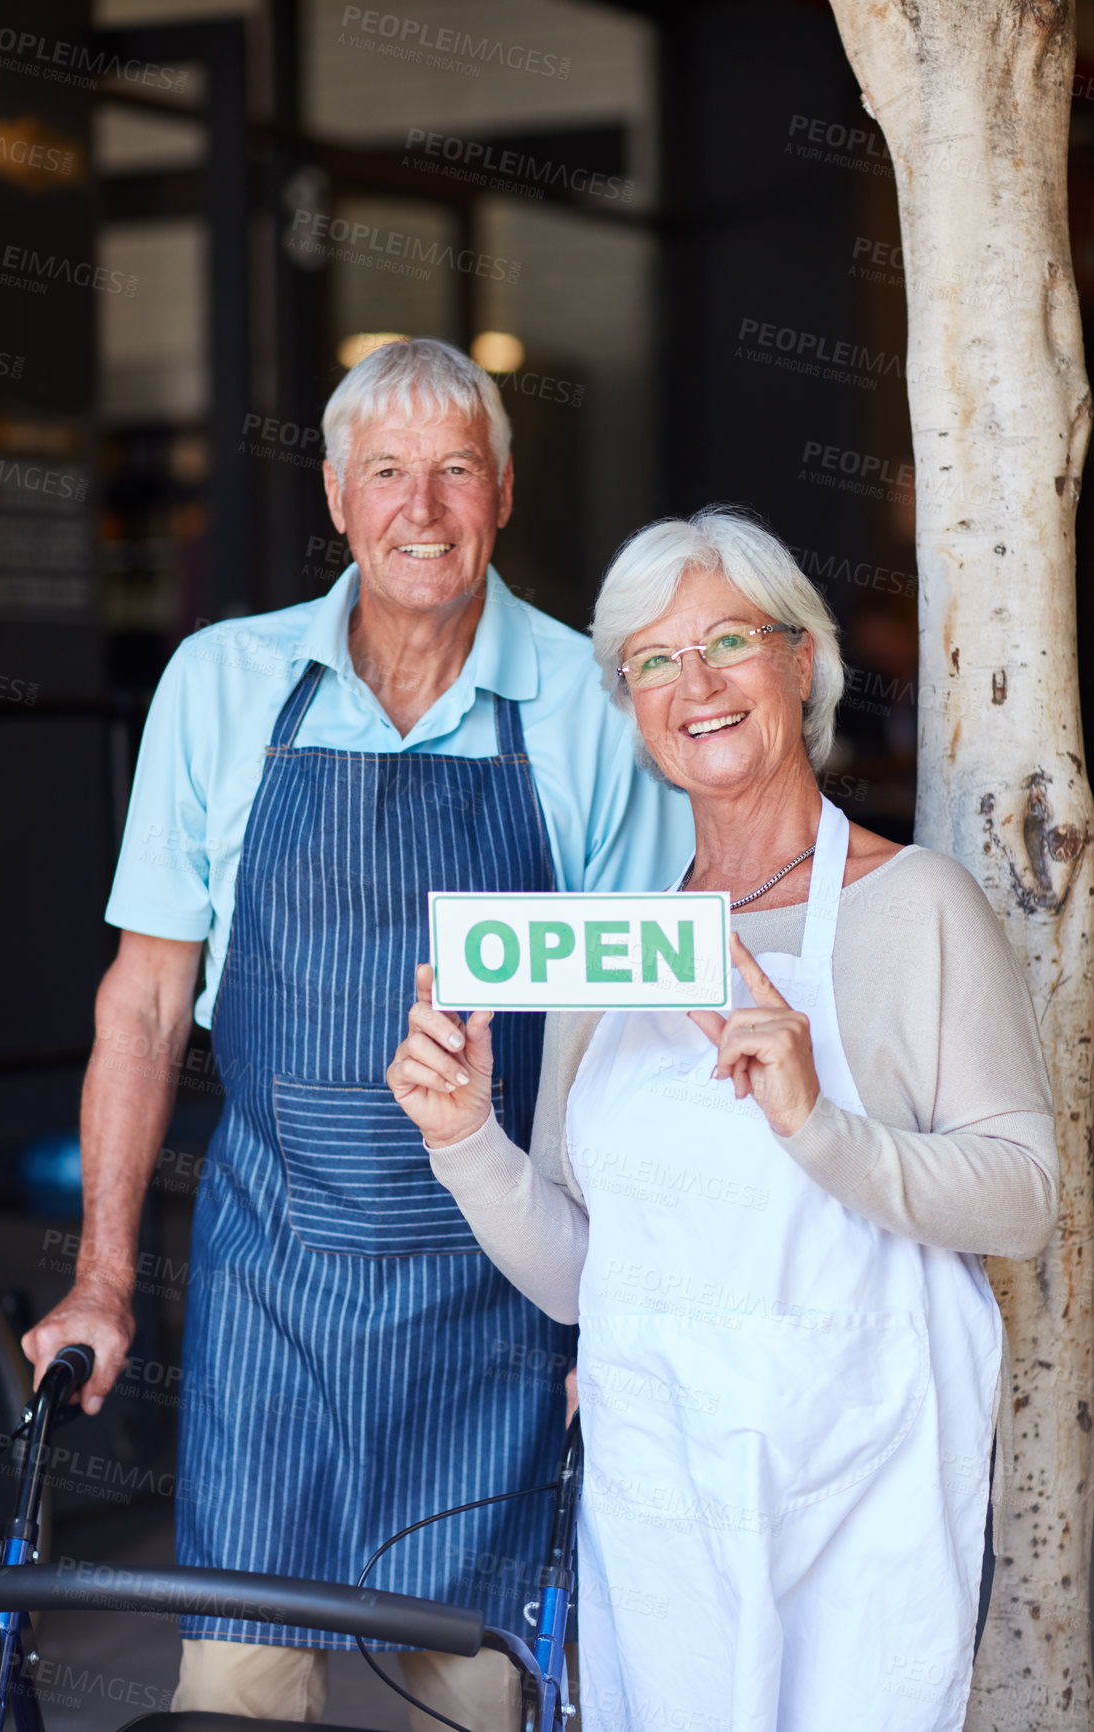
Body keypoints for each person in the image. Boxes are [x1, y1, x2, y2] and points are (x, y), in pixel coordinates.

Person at [21, 340, 694, 1731]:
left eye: (455, 470)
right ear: (336, 495)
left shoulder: (588, 705)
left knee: (474, 1686)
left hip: (497, 1291)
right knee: (235, 1689)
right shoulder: (221, 684)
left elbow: (640, 1031)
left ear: (503, 492)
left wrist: (622, 1304)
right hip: (276, 1283)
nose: (422, 507)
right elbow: (143, 1003)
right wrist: (99, 1279)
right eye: (387, 472)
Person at [389, 506, 1059, 1732]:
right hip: (661, 1511)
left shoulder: (916, 907)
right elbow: (583, 1279)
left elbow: (1021, 1198)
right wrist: (461, 1139)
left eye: (725, 644)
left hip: (859, 1501)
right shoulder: (606, 946)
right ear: (630, 706)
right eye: (650, 660)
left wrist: (817, 1123)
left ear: (801, 662)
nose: (690, 684)